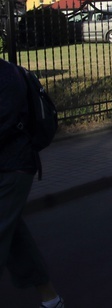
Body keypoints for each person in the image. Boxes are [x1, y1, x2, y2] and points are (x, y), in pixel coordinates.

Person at [0, 59, 65, 308]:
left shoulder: (7, 77)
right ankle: (51, 297)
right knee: (14, 236)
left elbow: (5, 123)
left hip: (13, 168)